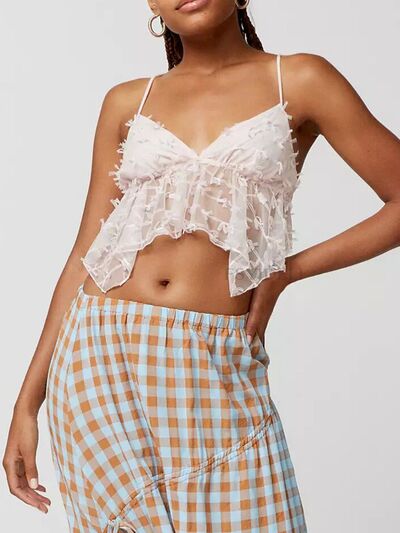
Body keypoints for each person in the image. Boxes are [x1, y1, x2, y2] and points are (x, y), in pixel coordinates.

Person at [3, 0, 400, 532]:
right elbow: (85, 252)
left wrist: (287, 270)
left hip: (213, 355)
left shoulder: (302, 79)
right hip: (98, 352)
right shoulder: (127, 100)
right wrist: (27, 403)